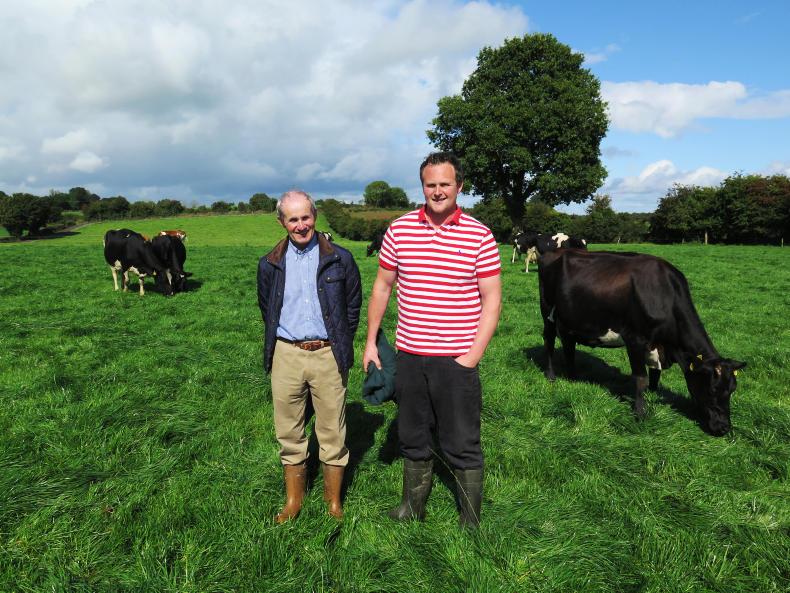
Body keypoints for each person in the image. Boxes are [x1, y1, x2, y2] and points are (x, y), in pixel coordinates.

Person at [363, 152, 502, 527]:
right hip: (409, 357)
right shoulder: (399, 230)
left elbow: (492, 301)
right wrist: (371, 341)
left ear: (459, 186)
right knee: (412, 435)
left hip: (456, 360)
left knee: (462, 441)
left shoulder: (480, 235)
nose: (438, 191)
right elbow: (382, 287)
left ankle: (470, 520)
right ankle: (412, 508)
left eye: (445, 184)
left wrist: (471, 357)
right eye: (430, 184)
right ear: (422, 186)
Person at [258, 189, 361, 523]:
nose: (301, 225)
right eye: (293, 219)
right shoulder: (270, 264)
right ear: (281, 222)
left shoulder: (340, 259)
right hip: (286, 354)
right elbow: (267, 308)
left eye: (306, 217)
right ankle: (293, 501)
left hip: (328, 354)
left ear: (314, 216)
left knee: (332, 431)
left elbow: (352, 307)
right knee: (289, 430)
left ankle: (333, 502)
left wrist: (340, 342)